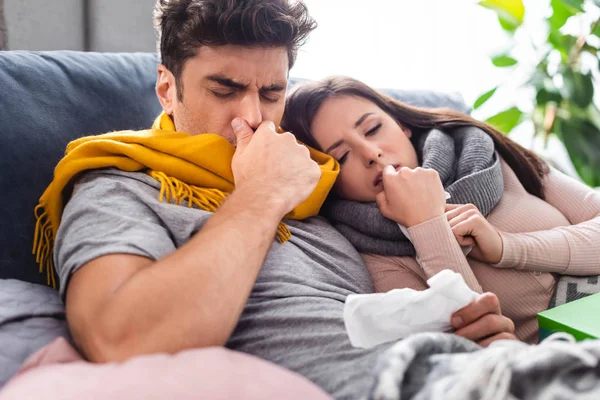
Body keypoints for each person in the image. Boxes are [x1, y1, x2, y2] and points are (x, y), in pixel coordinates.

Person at [35, 1, 517, 398]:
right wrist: (261, 192)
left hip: (463, 367)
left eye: (272, 93)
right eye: (225, 90)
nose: (254, 116)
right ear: (167, 88)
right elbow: (119, 339)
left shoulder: (315, 179)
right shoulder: (120, 185)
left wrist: (461, 323)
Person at [282, 76, 600, 344]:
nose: (371, 153)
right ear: (330, 180)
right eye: (342, 156)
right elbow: (483, 346)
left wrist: (506, 247)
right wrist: (426, 224)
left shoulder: (478, 149)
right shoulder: (377, 260)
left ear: (402, 124)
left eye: (372, 129)